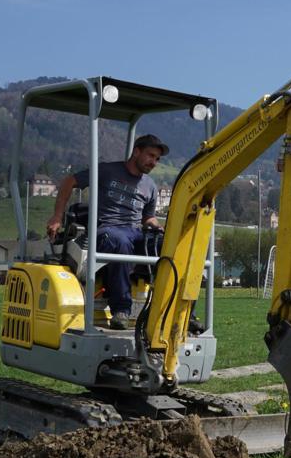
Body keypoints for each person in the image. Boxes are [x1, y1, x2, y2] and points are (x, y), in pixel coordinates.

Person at [46, 134, 194, 332]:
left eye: (157, 159)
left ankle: (183, 313)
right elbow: (69, 182)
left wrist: (157, 228)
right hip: (106, 230)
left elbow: (147, 218)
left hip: (134, 232)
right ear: (136, 151)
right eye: (150, 155)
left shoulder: (150, 185)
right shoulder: (107, 170)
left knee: (173, 245)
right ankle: (121, 310)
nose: (154, 162)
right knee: (120, 242)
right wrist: (57, 216)